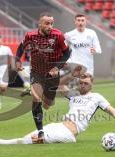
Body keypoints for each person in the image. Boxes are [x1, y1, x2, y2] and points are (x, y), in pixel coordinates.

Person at [0, 74, 115, 145]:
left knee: (34, 139)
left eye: (86, 83)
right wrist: (71, 74)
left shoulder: (97, 97)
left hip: (68, 133)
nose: (82, 84)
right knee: (32, 135)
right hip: (59, 126)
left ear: (92, 84)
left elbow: (114, 112)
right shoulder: (73, 95)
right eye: (81, 82)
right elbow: (59, 84)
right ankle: (0, 141)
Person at [16, 12, 71, 142]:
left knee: (47, 104)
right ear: (39, 24)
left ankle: (34, 91)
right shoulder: (30, 35)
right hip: (37, 71)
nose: (50, 26)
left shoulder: (58, 35)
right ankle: (40, 131)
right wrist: (18, 59)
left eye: (52, 23)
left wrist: (56, 68)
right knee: (36, 98)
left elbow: (67, 53)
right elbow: (20, 47)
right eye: (47, 23)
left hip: (52, 73)